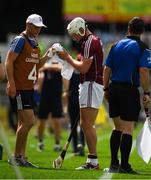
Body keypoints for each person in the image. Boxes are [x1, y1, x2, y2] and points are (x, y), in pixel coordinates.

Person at [103, 17, 151, 174]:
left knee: (117, 128)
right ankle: (124, 165)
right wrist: (146, 92)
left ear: (128, 29)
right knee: (128, 129)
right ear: (142, 31)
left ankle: (113, 164)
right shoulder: (143, 47)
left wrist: (106, 89)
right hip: (129, 90)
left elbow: (106, 69)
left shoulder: (115, 45)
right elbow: (144, 71)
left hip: (113, 89)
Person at [56, 17, 104, 170]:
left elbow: (83, 68)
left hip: (91, 84)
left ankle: (93, 161)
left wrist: (67, 58)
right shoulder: (89, 41)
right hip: (89, 84)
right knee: (85, 124)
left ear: (82, 29)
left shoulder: (90, 42)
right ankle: (92, 160)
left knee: (87, 124)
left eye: (76, 34)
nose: (75, 38)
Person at [5, 14, 51, 167]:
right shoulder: (20, 40)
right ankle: (16, 157)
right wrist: (11, 83)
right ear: (28, 25)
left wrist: (49, 54)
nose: (38, 29)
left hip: (29, 89)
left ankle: (21, 157)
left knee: (22, 122)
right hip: (20, 88)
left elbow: (37, 65)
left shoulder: (35, 43)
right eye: (36, 26)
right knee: (30, 121)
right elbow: (9, 61)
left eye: (40, 27)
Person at [36, 60, 64, 152]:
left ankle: (57, 143)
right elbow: (40, 69)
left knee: (57, 121)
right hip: (45, 98)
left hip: (56, 98)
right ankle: (40, 142)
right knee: (42, 120)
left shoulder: (59, 69)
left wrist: (49, 66)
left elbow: (61, 67)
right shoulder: (45, 70)